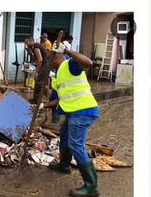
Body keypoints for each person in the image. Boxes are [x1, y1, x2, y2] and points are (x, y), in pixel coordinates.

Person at [47, 41, 99, 197]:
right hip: (73, 113)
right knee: (64, 138)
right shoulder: (57, 76)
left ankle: (92, 187)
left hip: (83, 112)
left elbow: (88, 62)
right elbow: (58, 100)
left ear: (56, 56)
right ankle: (64, 165)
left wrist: (68, 51)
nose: (48, 63)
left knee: (76, 145)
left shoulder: (70, 65)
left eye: (50, 58)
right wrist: (44, 105)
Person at [24, 37, 49, 104]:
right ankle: (35, 100)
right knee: (37, 82)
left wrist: (36, 72)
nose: (26, 44)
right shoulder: (34, 47)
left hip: (45, 66)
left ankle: (50, 97)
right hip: (43, 65)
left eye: (27, 43)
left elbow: (40, 60)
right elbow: (36, 59)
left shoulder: (36, 47)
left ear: (31, 41)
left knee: (40, 83)